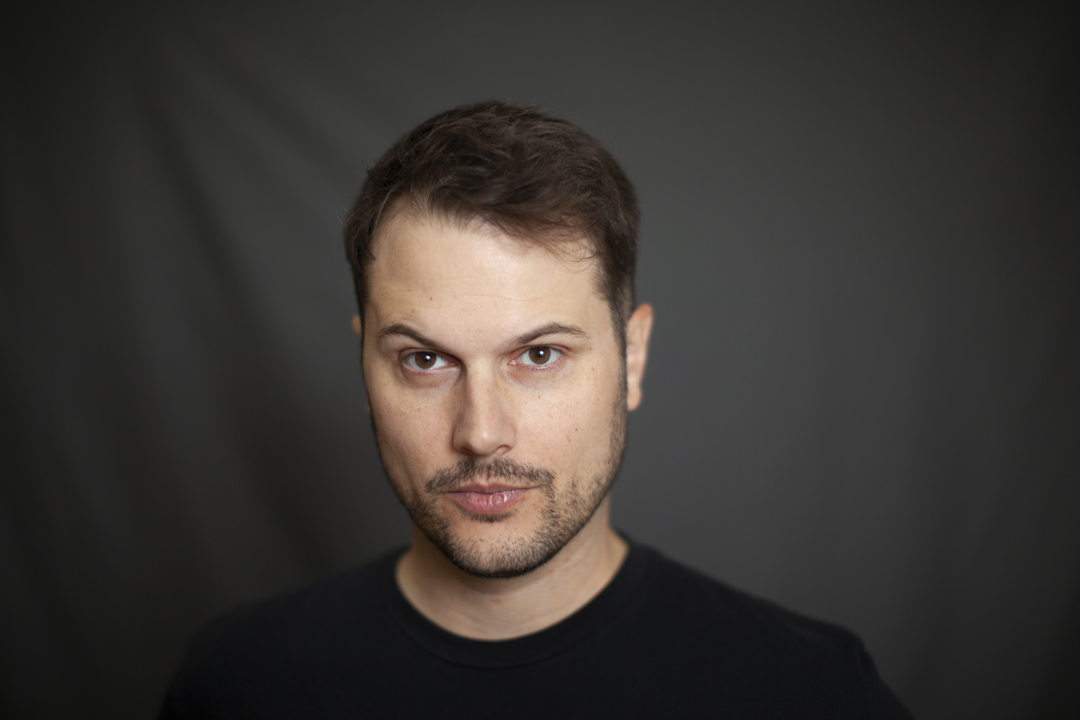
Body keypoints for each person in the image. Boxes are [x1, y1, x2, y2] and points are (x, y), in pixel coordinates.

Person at [161, 102, 911, 718]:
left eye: (540, 355)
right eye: (425, 360)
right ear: (365, 366)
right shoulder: (237, 683)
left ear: (632, 359)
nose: (481, 432)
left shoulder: (810, 693)